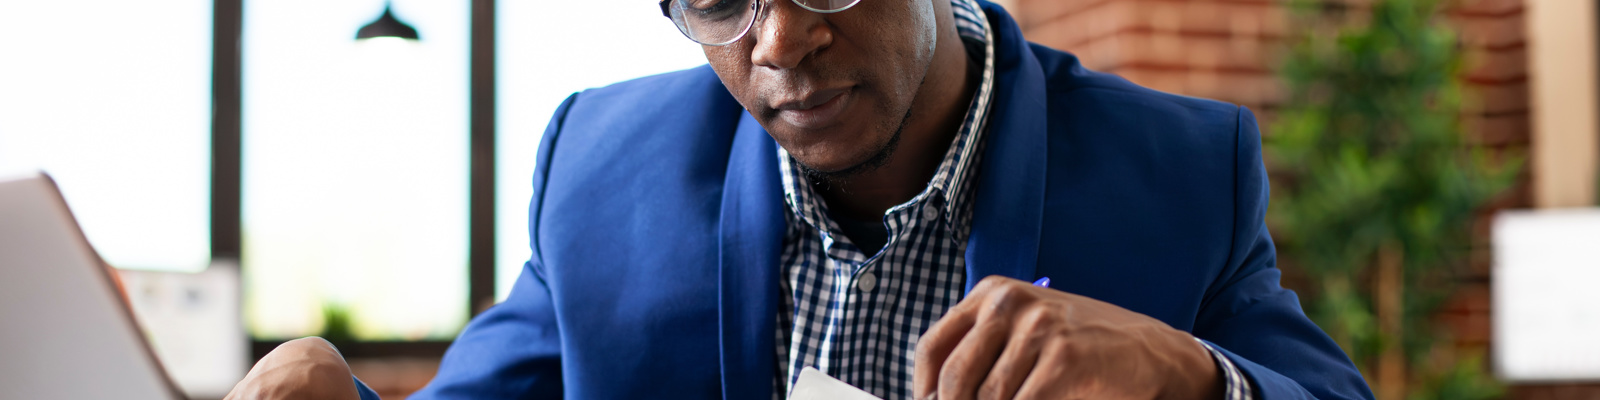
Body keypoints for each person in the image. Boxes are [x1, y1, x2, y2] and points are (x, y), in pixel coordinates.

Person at [226, 0, 1376, 399]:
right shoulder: (598, 165)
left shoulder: (1176, 169)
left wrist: (1186, 374)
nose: (778, 40)